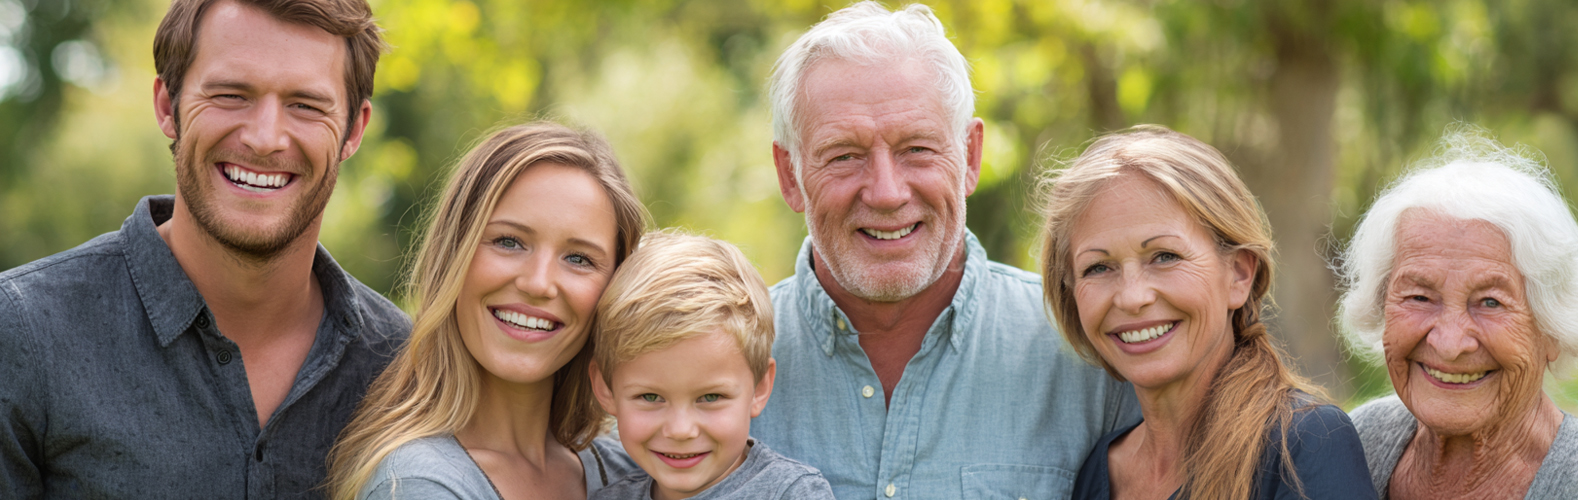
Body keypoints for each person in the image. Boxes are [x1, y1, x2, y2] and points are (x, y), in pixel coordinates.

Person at [0, 0, 400, 498]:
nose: (265, 138)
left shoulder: (406, 370)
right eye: (230, 94)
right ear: (167, 106)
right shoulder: (12, 336)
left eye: (306, 105)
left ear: (354, 129)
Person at [750, 2, 1141, 498]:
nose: (887, 192)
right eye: (844, 156)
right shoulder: (714, 365)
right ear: (790, 175)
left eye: (917, 148)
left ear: (971, 157)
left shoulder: (1088, 350)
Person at [1333, 127, 1578, 499]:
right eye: (1419, 297)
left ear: (1554, 329)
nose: (1450, 344)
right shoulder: (1355, 447)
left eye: (1490, 303)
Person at [1038, 126, 1372, 500]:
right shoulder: (1099, 470)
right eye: (1098, 268)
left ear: (1239, 274)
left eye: (1165, 256)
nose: (1132, 298)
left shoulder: (1305, 444)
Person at [327, 122, 652, 500]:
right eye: (509, 242)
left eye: (578, 258)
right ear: (453, 257)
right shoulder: (419, 485)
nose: (538, 283)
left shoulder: (635, 469)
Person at [586, 232, 834, 500]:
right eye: (650, 397)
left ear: (760, 387)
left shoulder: (792, 493)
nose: (681, 430)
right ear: (605, 388)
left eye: (711, 397)